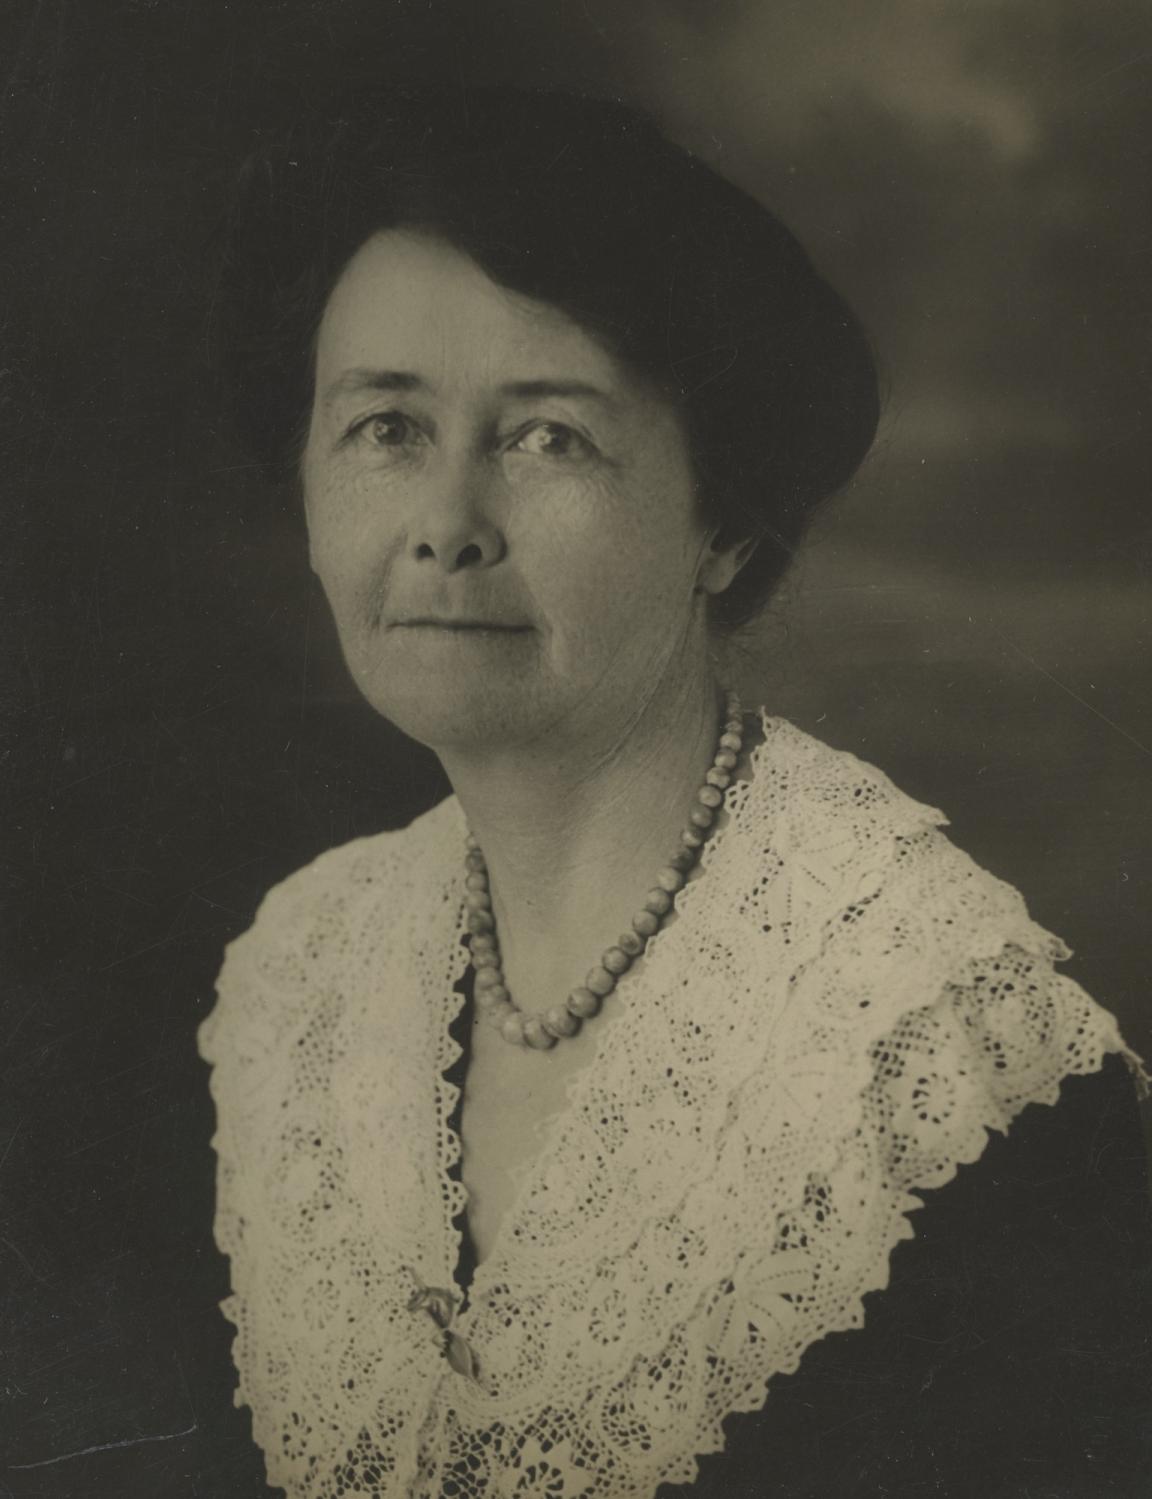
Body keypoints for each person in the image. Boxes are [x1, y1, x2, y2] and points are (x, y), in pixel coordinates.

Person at [197, 84, 1152, 1498]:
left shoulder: (944, 1068)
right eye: (387, 428)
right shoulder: (299, 979)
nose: (447, 529)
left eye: (548, 438)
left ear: (724, 525)